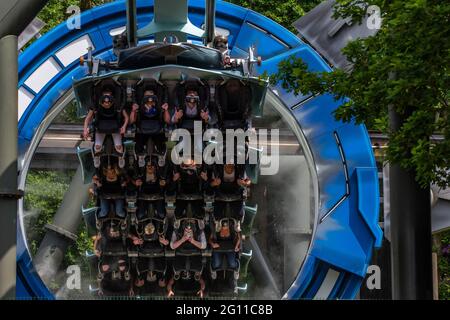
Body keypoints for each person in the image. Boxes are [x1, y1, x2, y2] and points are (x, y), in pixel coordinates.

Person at [83, 88, 129, 168]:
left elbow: (126, 117)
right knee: (97, 147)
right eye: (105, 98)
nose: (106, 102)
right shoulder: (95, 105)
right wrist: (85, 130)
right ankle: (97, 156)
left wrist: (124, 126)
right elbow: (87, 118)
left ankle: (120, 157)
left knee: (118, 147)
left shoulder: (118, 104)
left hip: (115, 127)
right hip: (100, 128)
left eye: (108, 98)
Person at [130, 90, 171, 167]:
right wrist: (133, 110)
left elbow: (167, 120)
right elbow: (132, 121)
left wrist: (166, 110)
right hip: (142, 128)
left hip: (157, 129)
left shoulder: (159, 105)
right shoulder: (140, 106)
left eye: (151, 96)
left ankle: (161, 155)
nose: (149, 98)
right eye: (147, 96)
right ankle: (140, 156)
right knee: (139, 143)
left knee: (160, 144)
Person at [167, 220, 207, 298]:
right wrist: (202, 290)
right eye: (186, 230)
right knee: (198, 271)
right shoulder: (179, 232)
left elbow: (170, 283)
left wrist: (169, 290)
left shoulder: (177, 275)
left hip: (182, 257)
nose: (188, 231)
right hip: (193, 257)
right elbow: (202, 283)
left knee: (177, 271)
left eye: (190, 230)